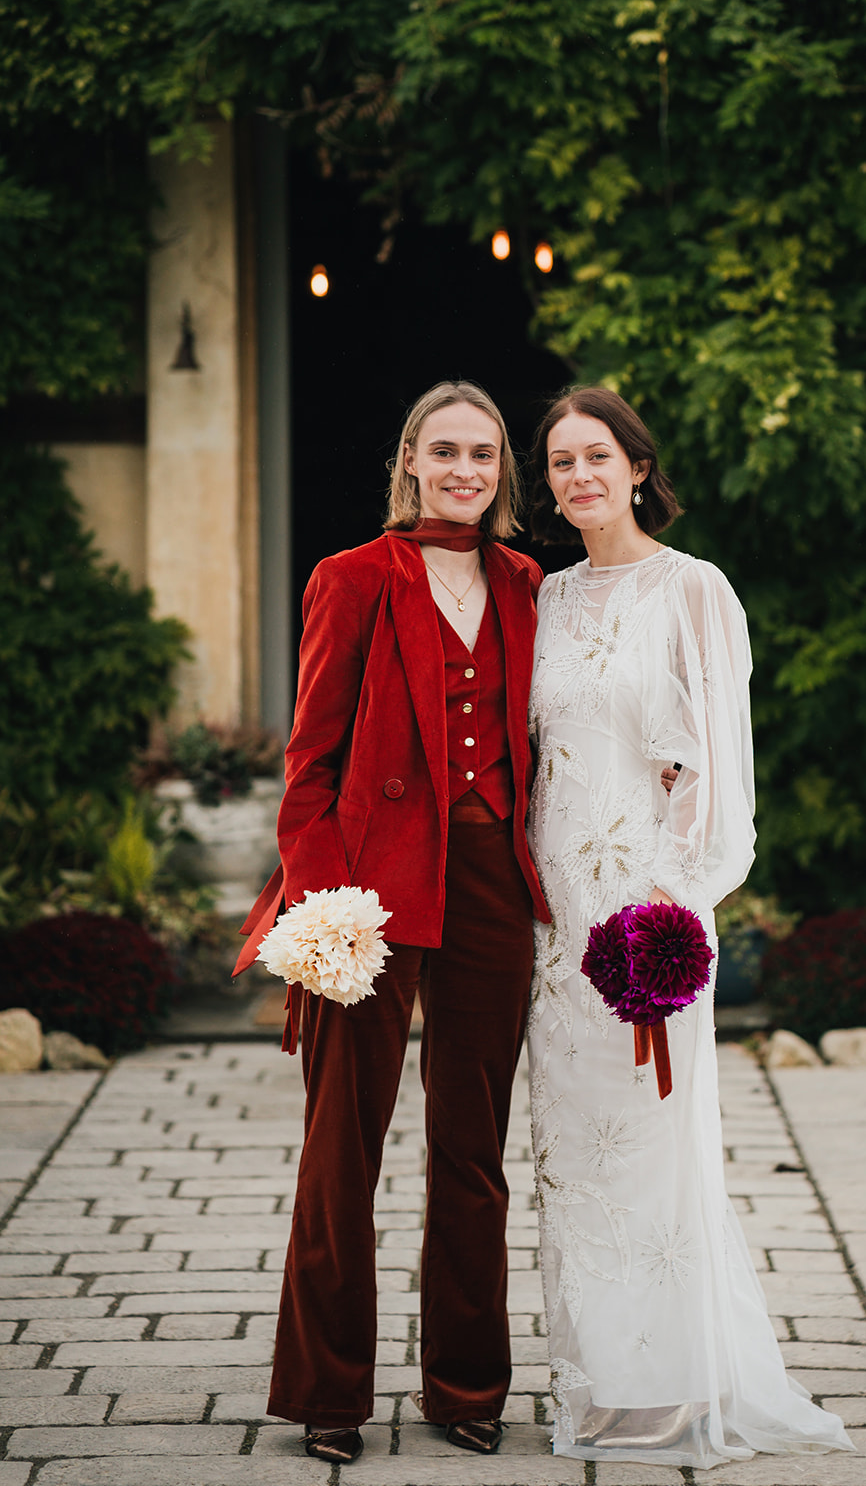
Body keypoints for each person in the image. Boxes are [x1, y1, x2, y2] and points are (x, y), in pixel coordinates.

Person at [524, 386, 853, 1468]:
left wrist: (670, 913)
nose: (577, 477)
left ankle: (673, 1382)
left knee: (656, 1141)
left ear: (634, 465)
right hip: (554, 917)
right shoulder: (543, 597)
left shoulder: (693, 589)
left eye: (595, 456)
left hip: (640, 912)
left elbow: (715, 766)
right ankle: (602, 1376)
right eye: (560, 461)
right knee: (573, 1151)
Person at [238, 380, 552, 1464]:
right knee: (341, 1144)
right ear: (411, 459)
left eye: (484, 454)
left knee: (472, 1147)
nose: (464, 470)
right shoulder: (352, 576)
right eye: (445, 451)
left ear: (502, 471)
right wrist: (321, 897)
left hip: (491, 887)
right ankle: (328, 1391)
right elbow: (309, 759)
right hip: (366, 886)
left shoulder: (525, 582)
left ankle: (465, 1385)